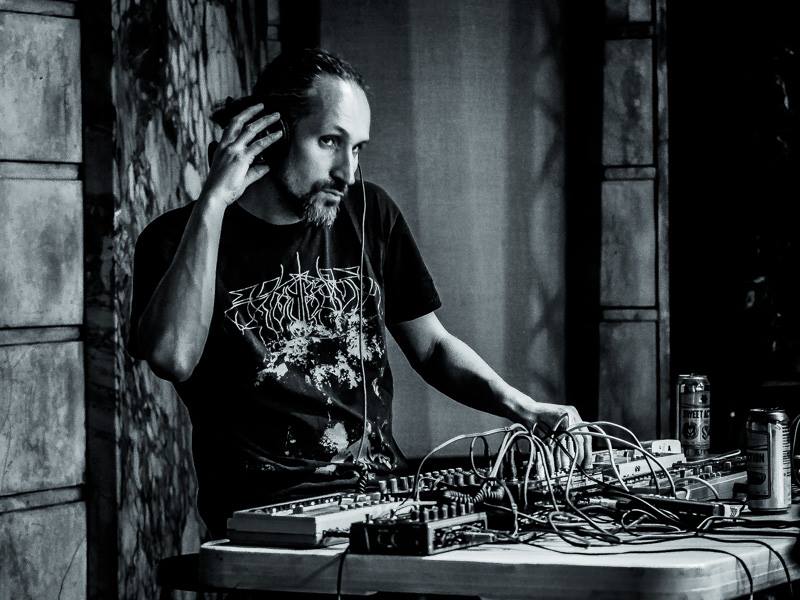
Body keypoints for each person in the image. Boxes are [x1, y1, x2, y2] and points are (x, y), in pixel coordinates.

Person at [128, 48, 591, 539]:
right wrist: (214, 203)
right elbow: (173, 358)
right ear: (271, 135)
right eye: (329, 141)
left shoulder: (372, 213)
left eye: (356, 149)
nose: (347, 174)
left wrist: (526, 409)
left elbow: (432, 347)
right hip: (267, 525)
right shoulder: (174, 241)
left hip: (383, 505)